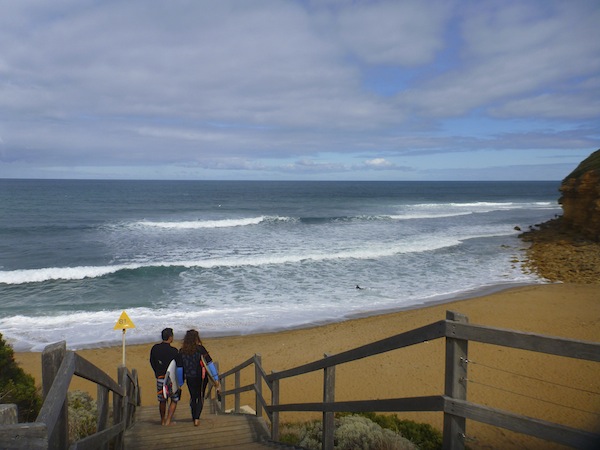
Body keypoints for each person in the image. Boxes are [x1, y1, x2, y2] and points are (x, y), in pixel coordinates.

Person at [179, 329, 220, 426]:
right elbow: (209, 363)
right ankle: (196, 418)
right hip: (201, 377)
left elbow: (179, 368)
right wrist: (216, 378)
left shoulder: (181, 351)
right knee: (200, 396)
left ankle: (194, 416)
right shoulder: (200, 349)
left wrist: (180, 382)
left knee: (193, 397)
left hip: (189, 377)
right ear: (196, 338)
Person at [149, 327, 180, 425]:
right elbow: (177, 365)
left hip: (160, 377)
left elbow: (152, 362)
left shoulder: (155, 348)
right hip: (171, 379)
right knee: (174, 399)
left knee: (162, 400)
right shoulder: (174, 351)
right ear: (170, 337)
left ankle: (162, 420)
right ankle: (168, 420)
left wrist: (156, 372)